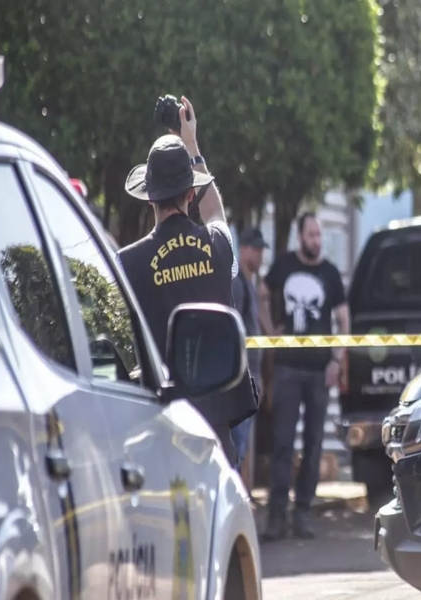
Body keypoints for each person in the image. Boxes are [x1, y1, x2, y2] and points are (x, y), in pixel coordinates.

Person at [116, 96, 257, 467]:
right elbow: (217, 215)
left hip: (157, 439)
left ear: (150, 200)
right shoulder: (218, 247)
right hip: (214, 439)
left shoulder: (125, 265)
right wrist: (191, 143)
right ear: (190, 193)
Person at [260, 212, 350, 541]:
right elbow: (261, 294)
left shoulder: (329, 274)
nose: (316, 240)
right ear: (300, 237)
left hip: (317, 371)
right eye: (311, 235)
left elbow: (343, 317)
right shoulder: (283, 266)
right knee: (283, 443)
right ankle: (276, 516)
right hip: (286, 368)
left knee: (313, 445)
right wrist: (271, 332)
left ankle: (303, 514)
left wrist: (337, 360)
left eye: (319, 235)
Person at [230, 226, 272, 469]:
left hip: (251, 379)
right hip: (241, 381)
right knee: (237, 447)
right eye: (255, 249)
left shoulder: (250, 286)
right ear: (243, 249)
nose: (260, 255)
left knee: (243, 447)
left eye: (261, 250)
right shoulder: (237, 285)